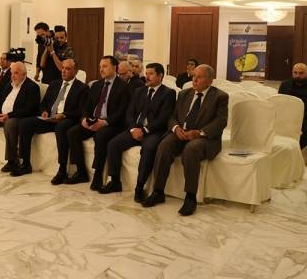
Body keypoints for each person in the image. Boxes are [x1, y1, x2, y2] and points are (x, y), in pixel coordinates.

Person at [143, 64, 228, 216]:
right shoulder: (184, 94)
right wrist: (176, 128)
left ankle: (190, 197)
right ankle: (158, 191)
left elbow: (221, 122)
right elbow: (172, 116)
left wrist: (199, 133)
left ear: (210, 80)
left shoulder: (220, 97)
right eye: (193, 76)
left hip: (204, 138)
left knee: (191, 149)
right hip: (181, 133)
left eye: (199, 77)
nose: (194, 80)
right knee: (164, 145)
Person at [99, 63, 176, 199]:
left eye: (151, 74)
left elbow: (164, 118)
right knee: (113, 144)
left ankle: (139, 186)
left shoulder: (168, 93)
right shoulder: (139, 91)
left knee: (149, 148)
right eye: (146, 73)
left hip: (153, 131)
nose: (147, 77)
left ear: (160, 76)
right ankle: (115, 181)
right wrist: (133, 129)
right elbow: (130, 112)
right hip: (136, 128)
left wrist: (145, 130)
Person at [14, 59, 88, 180]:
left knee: (61, 127)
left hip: (67, 119)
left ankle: (62, 169)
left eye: (67, 69)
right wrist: (44, 111)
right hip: (50, 119)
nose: (63, 71)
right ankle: (25, 164)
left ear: (75, 71)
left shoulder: (82, 88)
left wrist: (64, 114)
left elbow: (81, 110)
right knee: (25, 123)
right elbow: (43, 103)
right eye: (62, 68)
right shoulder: (54, 84)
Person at [65, 56, 130, 190]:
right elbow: (86, 107)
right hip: (94, 120)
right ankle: (81, 171)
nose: (101, 69)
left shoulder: (123, 87)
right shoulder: (96, 85)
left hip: (112, 124)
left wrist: (105, 122)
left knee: (100, 136)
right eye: (100, 66)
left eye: (105, 66)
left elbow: (122, 112)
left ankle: (98, 174)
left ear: (115, 68)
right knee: (73, 132)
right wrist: (84, 118)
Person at [278, 63, 307, 148]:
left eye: (301, 73)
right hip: (288, 116)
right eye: (295, 73)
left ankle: (297, 148)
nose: (298, 75)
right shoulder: (285, 85)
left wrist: (303, 115)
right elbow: (280, 101)